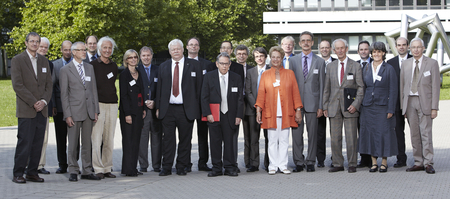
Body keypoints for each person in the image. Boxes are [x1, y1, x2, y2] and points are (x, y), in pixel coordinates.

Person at [155, 39, 202, 176]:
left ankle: (182, 166)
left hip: (186, 109)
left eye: (178, 48)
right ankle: (167, 167)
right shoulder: (163, 66)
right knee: (168, 140)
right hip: (168, 109)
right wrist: (158, 107)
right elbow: (159, 89)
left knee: (185, 140)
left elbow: (199, 88)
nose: (176, 51)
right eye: (173, 49)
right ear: (169, 51)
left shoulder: (194, 65)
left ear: (183, 49)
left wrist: (198, 108)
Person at [11, 32, 53, 183]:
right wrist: (34, 102)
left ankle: (32, 172)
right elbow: (17, 85)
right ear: (26, 42)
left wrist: (43, 101)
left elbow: (49, 85)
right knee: (25, 142)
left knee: (37, 143)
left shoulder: (44, 61)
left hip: (42, 110)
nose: (35, 44)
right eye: (32, 41)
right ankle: (18, 173)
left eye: (37, 42)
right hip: (27, 109)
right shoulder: (18, 60)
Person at [255, 46, 303, 175]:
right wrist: (258, 111)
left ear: (282, 58)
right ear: (271, 58)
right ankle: (272, 165)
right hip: (270, 112)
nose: (276, 59)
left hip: (286, 112)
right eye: (274, 57)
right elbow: (261, 94)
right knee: (271, 140)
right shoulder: (265, 74)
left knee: (284, 140)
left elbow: (295, 93)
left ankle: (282, 165)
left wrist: (298, 109)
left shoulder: (289, 73)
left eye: (278, 57)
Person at [59, 41, 101, 181]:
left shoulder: (89, 68)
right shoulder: (65, 70)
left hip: (89, 111)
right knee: (72, 143)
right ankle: (73, 169)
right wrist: (67, 114)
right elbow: (64, 95)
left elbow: (93, 90)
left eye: (85, 49)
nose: (84, 52)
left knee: (87, 143)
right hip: (74, 112)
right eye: (81, 50)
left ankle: (87, 170)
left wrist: (96, 110)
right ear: (74, 52)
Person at [323, 38, 364, 173]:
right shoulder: (330, 66)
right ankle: (337, 163)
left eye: (342, 48)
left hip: (350, 107)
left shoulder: (356, 65)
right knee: (335, 138)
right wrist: (325, 106)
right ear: (334, 51)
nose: (340, 51)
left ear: (346, 49)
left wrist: (356, 104)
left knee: (351, 137)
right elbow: (326, 89)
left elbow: (360, 87)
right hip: (334, 107)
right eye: (337, 49)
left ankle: (352, 163)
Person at [201, 52, 244, 177]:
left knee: (229, 142)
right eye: (221, 64)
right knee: (215, 142)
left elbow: (240, 99)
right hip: (214, 114)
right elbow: (204, 97)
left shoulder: (236, 77)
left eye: (226, 64)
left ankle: (230, 167)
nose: (224, 66)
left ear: (230, 64)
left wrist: (238, 115)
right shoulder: (209, 76)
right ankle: (216, 168)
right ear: (217, 64)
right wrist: (207, 113)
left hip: (230, 115)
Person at [401, 38, 440, 174]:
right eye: (413, 47)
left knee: (426, 133)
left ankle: (428, 162)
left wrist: (434, 107)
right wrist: (403, 107)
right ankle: (418, 162)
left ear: (423, 48)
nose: (416, 50)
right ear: (410, 49)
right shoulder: (405, 64)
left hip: (425, 102)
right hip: (410, 102)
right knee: (414, 134)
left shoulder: (432, 63)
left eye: (418, 47)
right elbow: (402, 86)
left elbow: (436, 87)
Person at [358, 42, 398, 173]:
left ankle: (384, 162)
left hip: (383, 106)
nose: (376, 54)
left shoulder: (389, 68)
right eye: (374, 52)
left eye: (379, 52)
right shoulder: (366, 68)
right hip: (368, 106)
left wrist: (391, 109)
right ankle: (374, 162)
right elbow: (362, 87)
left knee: (384, 134)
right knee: (370, 134)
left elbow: (393, 90)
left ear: (384, 53)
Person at [290, 31, 326, 172]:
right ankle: (298, 162)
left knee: (313, 135)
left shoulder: (320, 61)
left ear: (312, 43)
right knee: (297, 135)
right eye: (303, 40)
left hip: (313, 104)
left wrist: (321, 106)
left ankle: (310, 161)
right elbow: (290, 84)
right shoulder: (292, 61)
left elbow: (322, 86)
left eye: (308, 40)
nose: (306, 43)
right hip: (296, 104)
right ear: (299, 43)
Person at [91, 36, 118, 179]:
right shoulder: (92, 65)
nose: (107, 50)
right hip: (99, 105)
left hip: (113, 104)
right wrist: (94, 108)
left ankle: (107, 167)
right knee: (96, 138)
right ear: (99, 48)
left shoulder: (114, 66)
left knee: (109, 138)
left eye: (110, 48)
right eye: (105, 47)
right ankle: (97, 168)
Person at [186, 37, 213, 172]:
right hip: (188, 106)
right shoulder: (182, 63)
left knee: (203, 135)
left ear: (199, 47)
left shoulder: (207, 64)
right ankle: (186, 162)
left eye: (196, 45)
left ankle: (203, 162)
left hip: (203, 105)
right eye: (191, 45)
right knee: (187, 135)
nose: (193, 47)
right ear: (186, 47)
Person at [119, 49, 146, 176]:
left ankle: (133, 167)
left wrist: (144, 109)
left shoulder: (139, 72)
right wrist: (127, 114)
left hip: (139, 111)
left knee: (136, 141)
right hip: (128, 113)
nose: (134, 59)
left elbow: (142, 92)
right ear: (126, 60)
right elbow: (123, 96)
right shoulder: (124, 75)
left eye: (135, 57)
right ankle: (128, 169)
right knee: (128, 141)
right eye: (130, 57)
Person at [386, 37, 412, 168]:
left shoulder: (415, 59)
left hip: (412, 102)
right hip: (396, 104)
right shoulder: (390, 63)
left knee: (416, 132)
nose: (401, 47)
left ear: (408, 46)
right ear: (395, 47)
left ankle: (423, 158)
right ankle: (401, 158)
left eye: (404, 45)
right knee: (398, 132)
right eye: (399, 45)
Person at [137, 46, 162, 173]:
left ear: (152, 56)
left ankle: (157, 165)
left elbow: (162, 89)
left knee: (157, 137)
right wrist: (142, 105)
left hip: (155, 109)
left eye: (148, 55)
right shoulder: (136, 70)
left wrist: (156, 103)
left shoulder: (159, 70)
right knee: (142, 137)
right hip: (143, 110)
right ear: (140, 57)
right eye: (143, 55)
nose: (146, 58)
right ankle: (143, 165)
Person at [245, 47, 271, 172]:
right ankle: (254, 164)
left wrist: (264, 107)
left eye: (261, 56)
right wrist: (256, 106)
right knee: (253, 139)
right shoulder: (250, 72)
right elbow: (248, 91)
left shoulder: (271, 70)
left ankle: (268, 163)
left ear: (265, 57)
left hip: (268, 110)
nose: (259, 58)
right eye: (256, 56)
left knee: (268, 138)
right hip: (253, 110)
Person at [52, 40, 73, 174]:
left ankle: (73, 163)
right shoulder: (55, 65)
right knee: (61, 137)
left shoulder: (77, 64)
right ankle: (62, 164)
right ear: (61, 50)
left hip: (74, 107)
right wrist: (53, 105)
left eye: (70, 49)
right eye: (65, 49)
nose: (68, 52)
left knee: (74, 138)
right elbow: (52, 87)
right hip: (59, 107)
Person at [235, 44, 256, 169]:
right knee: (234, 135)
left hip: (249, 103)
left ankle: (250, 162)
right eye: (239, 54)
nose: (241, 56)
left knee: (250, 134)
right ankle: (233, 162)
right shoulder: (230, 67)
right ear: (236, 55)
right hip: (236, 103)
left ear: (247, 56)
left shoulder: (252, 69)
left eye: (244, 54)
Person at [36, 37, 54, 175]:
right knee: (29, 137)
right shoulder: (27, 61)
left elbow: (50, 86)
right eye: (41, 46)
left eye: (45, 47)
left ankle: (40, 164)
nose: (43, 49)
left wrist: (47, 102)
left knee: (44, 137)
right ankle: (28, 164)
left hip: (45, 105)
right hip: (29, 105)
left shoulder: (49, 64)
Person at [317, 40, 336, 167]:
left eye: (327, 47)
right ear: (319, 49)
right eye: (322, 48)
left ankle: (336, 158)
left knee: (335, 133)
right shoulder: (316, 63)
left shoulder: (336, 62)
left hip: (334, 102)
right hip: (319, 102)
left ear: (330, 49)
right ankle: (320, 159)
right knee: (320, 133)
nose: (324, 49)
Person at [356, 40, 372, 168]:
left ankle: (373, 158)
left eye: (366, 49)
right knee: (360, 132)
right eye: (361, 49)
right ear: (358, 51)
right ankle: (363, 158)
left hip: (372, 104)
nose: (363, 51)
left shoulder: (377, 64)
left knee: (372, 131)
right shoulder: (355, 65)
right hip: (357, 105)